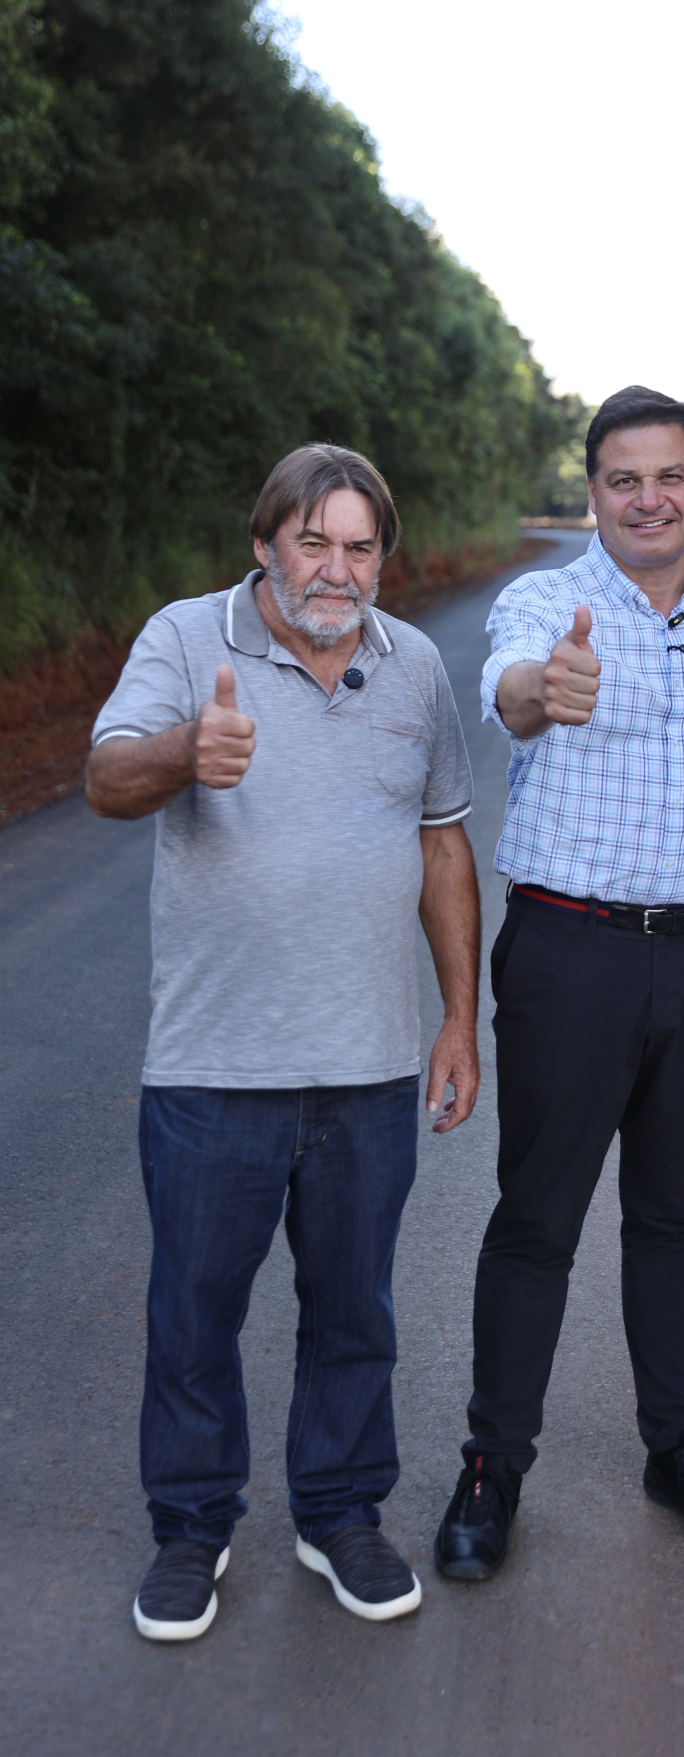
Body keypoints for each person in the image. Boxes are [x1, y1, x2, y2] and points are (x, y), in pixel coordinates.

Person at [432, 384, 684, 1579]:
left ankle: (683, 1449)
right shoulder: (546, 601)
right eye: (625, 480)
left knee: (675, 1216)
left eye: (670, 477)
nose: (649, 499)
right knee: (536, 1223)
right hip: (573, 953)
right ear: (595, 492)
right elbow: (513, 684)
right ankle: (491, 1467)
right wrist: (539, 694)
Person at [86, 444, 481, 1641]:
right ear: (265, 543)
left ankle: (341, 1514)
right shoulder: (185, 639)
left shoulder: (413, 666)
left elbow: (445, 846)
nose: (337, 568)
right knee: (193, 1314)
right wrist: (182, 756)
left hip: (366, 1068)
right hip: (215, 1070)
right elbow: (105, 779)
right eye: (314, 541)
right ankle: (192, 1530)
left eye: (361, 547)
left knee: (354, 1310)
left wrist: (461, 1017)